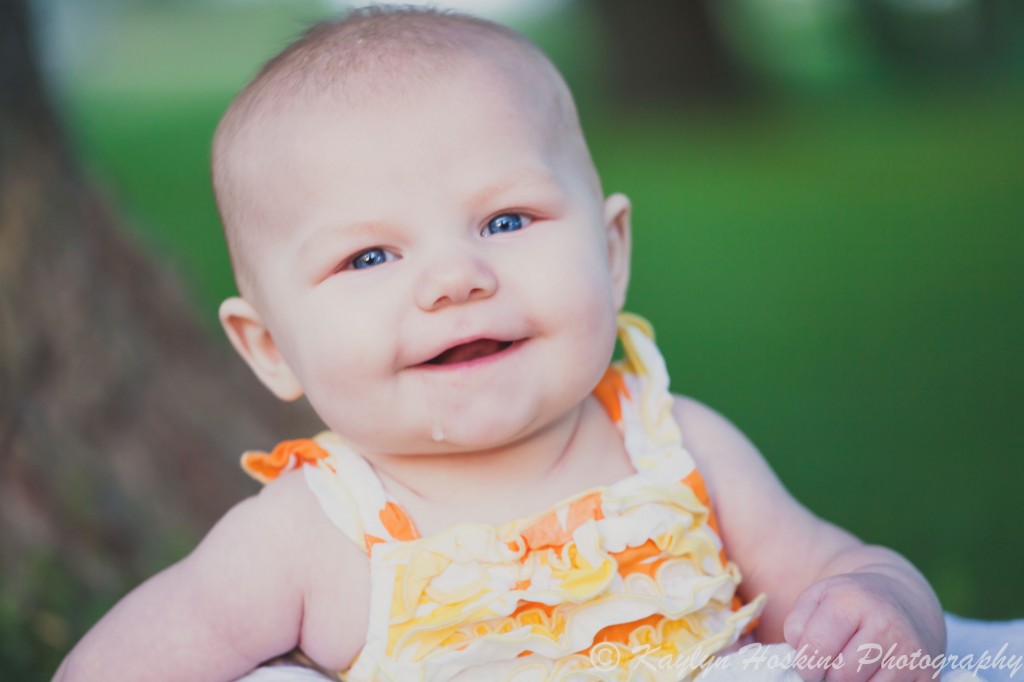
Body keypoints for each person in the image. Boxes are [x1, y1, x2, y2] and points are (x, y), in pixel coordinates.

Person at [55, 6, 946, 681]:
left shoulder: (674, 446)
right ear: (269, 348)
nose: (455, 278)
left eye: (506, 218)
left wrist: (881, 605)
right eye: (369, 255)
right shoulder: (309, 534)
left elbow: (837, 565)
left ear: (609, 251)